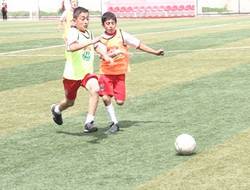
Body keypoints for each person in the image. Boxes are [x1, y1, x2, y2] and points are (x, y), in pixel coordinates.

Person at [98, 11, 164, 134]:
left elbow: (138, 44)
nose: (110, 26)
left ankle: (113, 113)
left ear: (116, 24)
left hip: (120, 74)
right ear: (103, 25)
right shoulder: (101, 40)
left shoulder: (122, 35)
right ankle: (114, 123)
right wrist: (118, 52)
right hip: (105, 73)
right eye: (108, 23)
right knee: (106, 98)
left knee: (120, 102)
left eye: (112, 23)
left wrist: (154, 52)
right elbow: (103, 56)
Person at [51, 7, 112, 133]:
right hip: (71, 75)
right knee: (69, 102)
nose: (86, 22)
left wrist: (106, 55)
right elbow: (71, 47)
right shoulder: (73, 32)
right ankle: (57, 109)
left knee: (95, 89)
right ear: (74, 21)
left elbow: (96, 46)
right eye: (82, 19)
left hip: (86, 74)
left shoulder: (89, 33)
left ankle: (88, 123)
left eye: (87, 19)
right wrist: (90, 42)